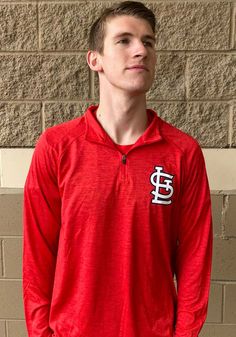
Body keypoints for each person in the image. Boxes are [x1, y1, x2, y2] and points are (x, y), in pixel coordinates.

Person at [23, 2, 213, 337]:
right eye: (124, 40)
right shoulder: (56, 147)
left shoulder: (183, 153)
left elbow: (195, 259)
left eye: (148, 42)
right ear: (94, 59)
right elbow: (38, 257)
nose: (140, 49)